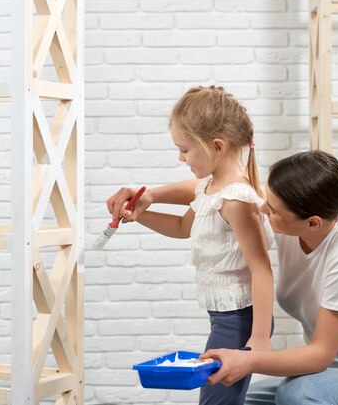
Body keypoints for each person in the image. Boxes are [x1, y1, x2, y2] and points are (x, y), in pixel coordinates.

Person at [107, 151, 338, 405]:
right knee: (245, 399)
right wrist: (151, 195)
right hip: (324, 377)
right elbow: (222, 191)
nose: (262, 208)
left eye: (271, 208)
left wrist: (249, 361)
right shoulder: (291, 216)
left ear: (312, 223)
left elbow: (320, 354)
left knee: (295, 395)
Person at [107, 86, 275, 405]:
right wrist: (141, 211)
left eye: (184, 149)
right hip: (226, 316)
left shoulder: (235, 200)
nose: (180, 157)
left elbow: (262, 271)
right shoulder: (213, 188)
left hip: (239, 319)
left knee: (215, 402)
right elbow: (184, 225)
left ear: (216, 146)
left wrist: (260, 338)